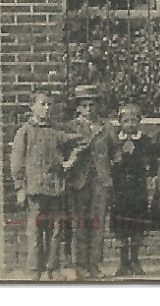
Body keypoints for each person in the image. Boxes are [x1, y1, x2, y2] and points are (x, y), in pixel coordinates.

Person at [10, 90, 74, 280]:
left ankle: (51, 268)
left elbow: (80, 142)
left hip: (54, 189)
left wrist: (69, 160)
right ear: (32, 107)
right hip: (35, 190)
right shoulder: (25, 132)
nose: (47, 108)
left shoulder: (56, 132)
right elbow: (17, 161)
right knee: (36, 231)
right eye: (42, 104)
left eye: (49, 105)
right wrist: (20, 187)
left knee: (55, 231)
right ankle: (34, 271)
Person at [65, 83, 114, 278]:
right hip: (79, 181)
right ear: (78, 107)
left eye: (92, 105)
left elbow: (115, 151)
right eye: (84, 105)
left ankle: (94, 264)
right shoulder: (71, 127)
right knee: (80, 223)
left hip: (100, 181)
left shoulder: (106, 127)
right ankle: (80, 264)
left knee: (97, 223)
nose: (89, 109)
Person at [109, 101, 154, 276]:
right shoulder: (114, 141)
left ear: (139, 121)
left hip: (137, 189)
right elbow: (108, 163)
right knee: (121, 226)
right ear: (120, 121)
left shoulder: (145, 141)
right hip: (120, 189)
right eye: (126, 121)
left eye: (133, 120)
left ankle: (135, 260)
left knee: (136, 225)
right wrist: (116, 161)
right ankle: (123, 262)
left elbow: (150, 163)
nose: (130, 125)